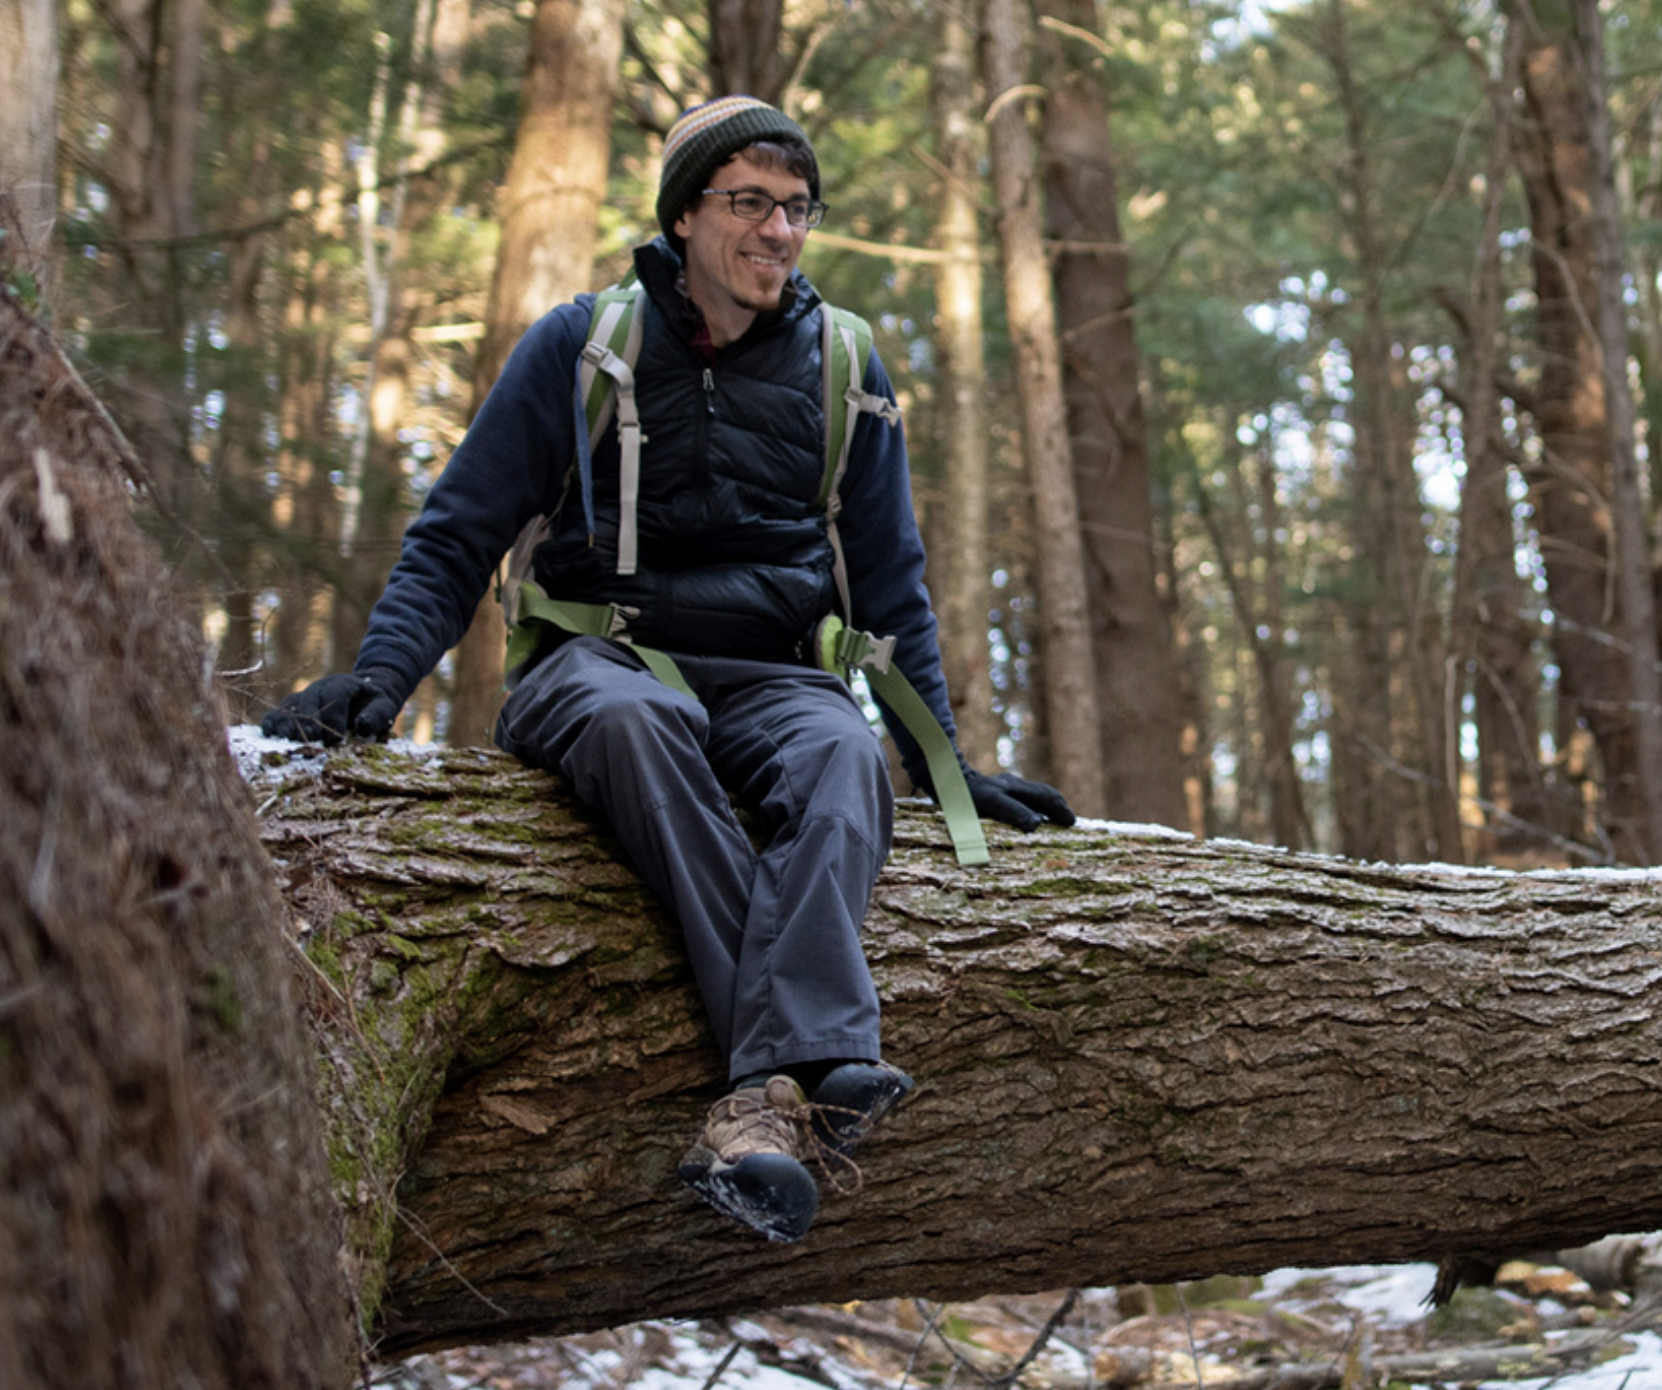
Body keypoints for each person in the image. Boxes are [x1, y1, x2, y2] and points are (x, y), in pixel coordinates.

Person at [263, 95, 1076, 1243]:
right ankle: (810, 1060)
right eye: (750, 203)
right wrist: (378, 680)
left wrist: (938, 753)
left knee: (842, 753)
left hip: (775, 673)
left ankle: (752, 1109)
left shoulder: (844, 363)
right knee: (636, 726)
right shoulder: (582, 345)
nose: (779, 232)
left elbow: (892, 581)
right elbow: (459, 533)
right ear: (685, 215)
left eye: (798, 209)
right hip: (597, 660)